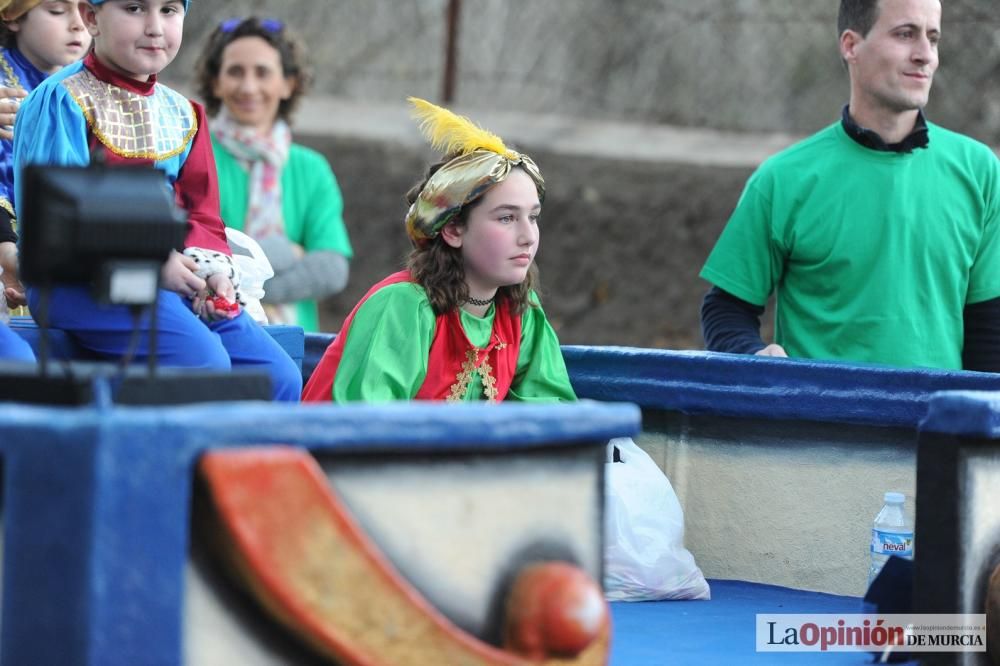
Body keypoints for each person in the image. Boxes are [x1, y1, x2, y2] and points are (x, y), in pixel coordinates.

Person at [12, 0, 301, 400]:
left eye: (168, 10)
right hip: (80, 282)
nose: (154, 27)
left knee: (279, 375)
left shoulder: (184, 113)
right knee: (202, 364)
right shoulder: (64, 100)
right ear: (91, 17)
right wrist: (149, 262)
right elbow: (59, 222)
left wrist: (211, 275)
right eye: (134, 8)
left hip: (171, 281)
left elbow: (201, 214)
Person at [699, 0, 1000, 371]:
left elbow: (990, 324)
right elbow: (727, 308)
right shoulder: (782, 179)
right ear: (851, 45)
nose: (925, 55)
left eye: (933, 38)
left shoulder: (981, 171)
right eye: (905, 34)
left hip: (937, 422)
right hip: (820, 423)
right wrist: (752, 355)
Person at [302, 98, 576, 403]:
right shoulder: (403, 307)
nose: (528, 236)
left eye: (533, 217)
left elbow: (554, 413)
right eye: (507, 218)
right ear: (453, 229)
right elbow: (368, 427)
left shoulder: (521, 313)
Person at [194, 17, 352, 332]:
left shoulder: (312, 169)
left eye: (263, 72)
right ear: (215, 82)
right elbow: (195, 256)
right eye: (235, 71)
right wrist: (286, 252)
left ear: (288, 83)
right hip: (208, 333)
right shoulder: (194, 154)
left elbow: (331, 269)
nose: (248, 86)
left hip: (293, 340)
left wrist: (243, 288)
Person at [0, 0, 90, 327]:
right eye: (56, 10)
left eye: (86, 9)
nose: (78, 23)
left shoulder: (98, 86)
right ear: (13, 16)